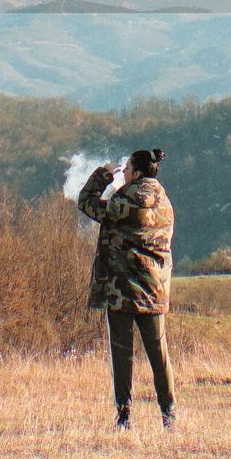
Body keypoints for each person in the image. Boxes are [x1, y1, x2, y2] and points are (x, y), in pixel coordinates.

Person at [77, 148, 177, 430]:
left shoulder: (124, 200)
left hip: (122, 289)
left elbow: (87, 203)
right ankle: (168, 414)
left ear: (135, 172)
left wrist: (105, 175)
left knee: (123, 354)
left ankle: (124, 415)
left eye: (128, 169)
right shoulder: (165, 203)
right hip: (155, 288)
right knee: (159, 355)